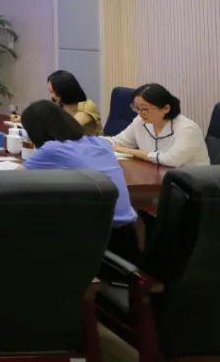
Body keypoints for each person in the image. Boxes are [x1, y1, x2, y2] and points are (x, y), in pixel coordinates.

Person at [20, 100, 139, 260]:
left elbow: (14, 179)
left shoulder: (52, 149)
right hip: (128, 238)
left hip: (94, 243)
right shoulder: (100, 142)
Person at [104, 83, 209, 167]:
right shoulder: (140, 121)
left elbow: (172, 160)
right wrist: (95, 141)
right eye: (136, 108)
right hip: (154, 174)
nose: (140, 113)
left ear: (166, 108)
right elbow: (118, 142)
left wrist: (129, 151)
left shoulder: (187, 129)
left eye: (144, 109)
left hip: (190, 182)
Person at [46, 70, 102, 135]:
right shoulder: (59, 108)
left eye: (53, 92)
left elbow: (69, 128)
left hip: (91, 141)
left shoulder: (87, 106)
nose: (52, 96)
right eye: (50, 92)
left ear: (64, 89)